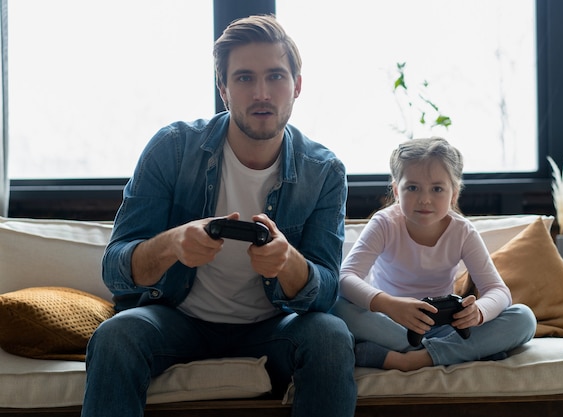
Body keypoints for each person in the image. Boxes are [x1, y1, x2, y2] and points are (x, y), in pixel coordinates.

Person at [81, 14, 357, 417]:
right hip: (177, 319)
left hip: (273, 327)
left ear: (297, 86)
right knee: (115, 336)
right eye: (244, 78)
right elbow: (115, 269)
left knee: (332, 336)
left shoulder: (324, 171)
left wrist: (287, 262)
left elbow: (327, 289)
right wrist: (173, 243)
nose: (262, 92)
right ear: (223, 89)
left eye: (276, 77)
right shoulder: (172, 149)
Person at [330, 137, 537, 371]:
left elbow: (498, 291)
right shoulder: (385, 224)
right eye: (413, 188)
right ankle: (464, 352)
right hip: (391, 324)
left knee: (524, 318)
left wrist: (478, 312)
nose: (425, 199)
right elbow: (345, 277)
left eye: (437, 189)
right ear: (397, 190)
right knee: (336, 306)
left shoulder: (462, 231)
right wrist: (390, 305)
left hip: (445, 326)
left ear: (454, 194)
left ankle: (412, 359)